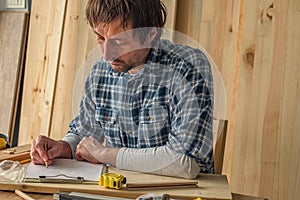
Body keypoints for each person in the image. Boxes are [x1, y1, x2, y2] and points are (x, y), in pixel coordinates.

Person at [30, 0, 214, 179]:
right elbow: (85, 132)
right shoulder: (101, 71)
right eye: (101, 38)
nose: (107, 55)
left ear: (150, 34)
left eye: (119, 42)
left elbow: (185, 162)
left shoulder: (189, 67)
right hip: (118, 190)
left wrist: (104, 154)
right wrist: (65, 147)